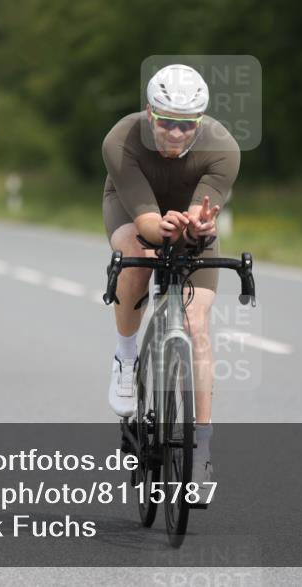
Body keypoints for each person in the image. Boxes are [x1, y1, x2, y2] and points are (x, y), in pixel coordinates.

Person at [101, 64, 240, 489]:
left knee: (196, 325)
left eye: (186, 126)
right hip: (133, 208)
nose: (176, 134)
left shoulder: (223, 148)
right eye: (166, 124)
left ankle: (201, 449)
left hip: (188, 216)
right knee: (137, 253)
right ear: (149, 114)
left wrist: (196, 227)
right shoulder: (121, 139)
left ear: (199, 122)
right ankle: (126, 358)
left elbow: (201, 217)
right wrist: (160, 225)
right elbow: (146, 224)